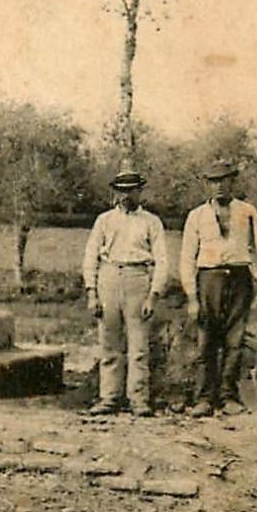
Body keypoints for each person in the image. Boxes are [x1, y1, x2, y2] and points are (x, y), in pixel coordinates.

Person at [179, 159, 257, 417]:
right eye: (214, 182)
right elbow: (187, 257)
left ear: (233, 182)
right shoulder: (196, 216)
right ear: (207, 185)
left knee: (236, 340)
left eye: (225, 181)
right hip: (208, 279)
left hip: (240, 279)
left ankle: (228, 397)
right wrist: (192, 296)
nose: (220, 187)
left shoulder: (248, 212)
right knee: (206, 341)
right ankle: (204, 398)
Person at [80, 170, 169, 417]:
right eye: (122, 190)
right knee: (109, 342)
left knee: (139, 345)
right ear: (115, 193)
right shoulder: (104, 220)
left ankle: (138, 399)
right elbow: (90, 257)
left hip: (137, 279)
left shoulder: (151, 222)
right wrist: (91, 292)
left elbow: (162, 261)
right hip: (108, 278)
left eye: (132, 190)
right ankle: (109, 397)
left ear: (140, 191)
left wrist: (154, 295)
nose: (126, 195)